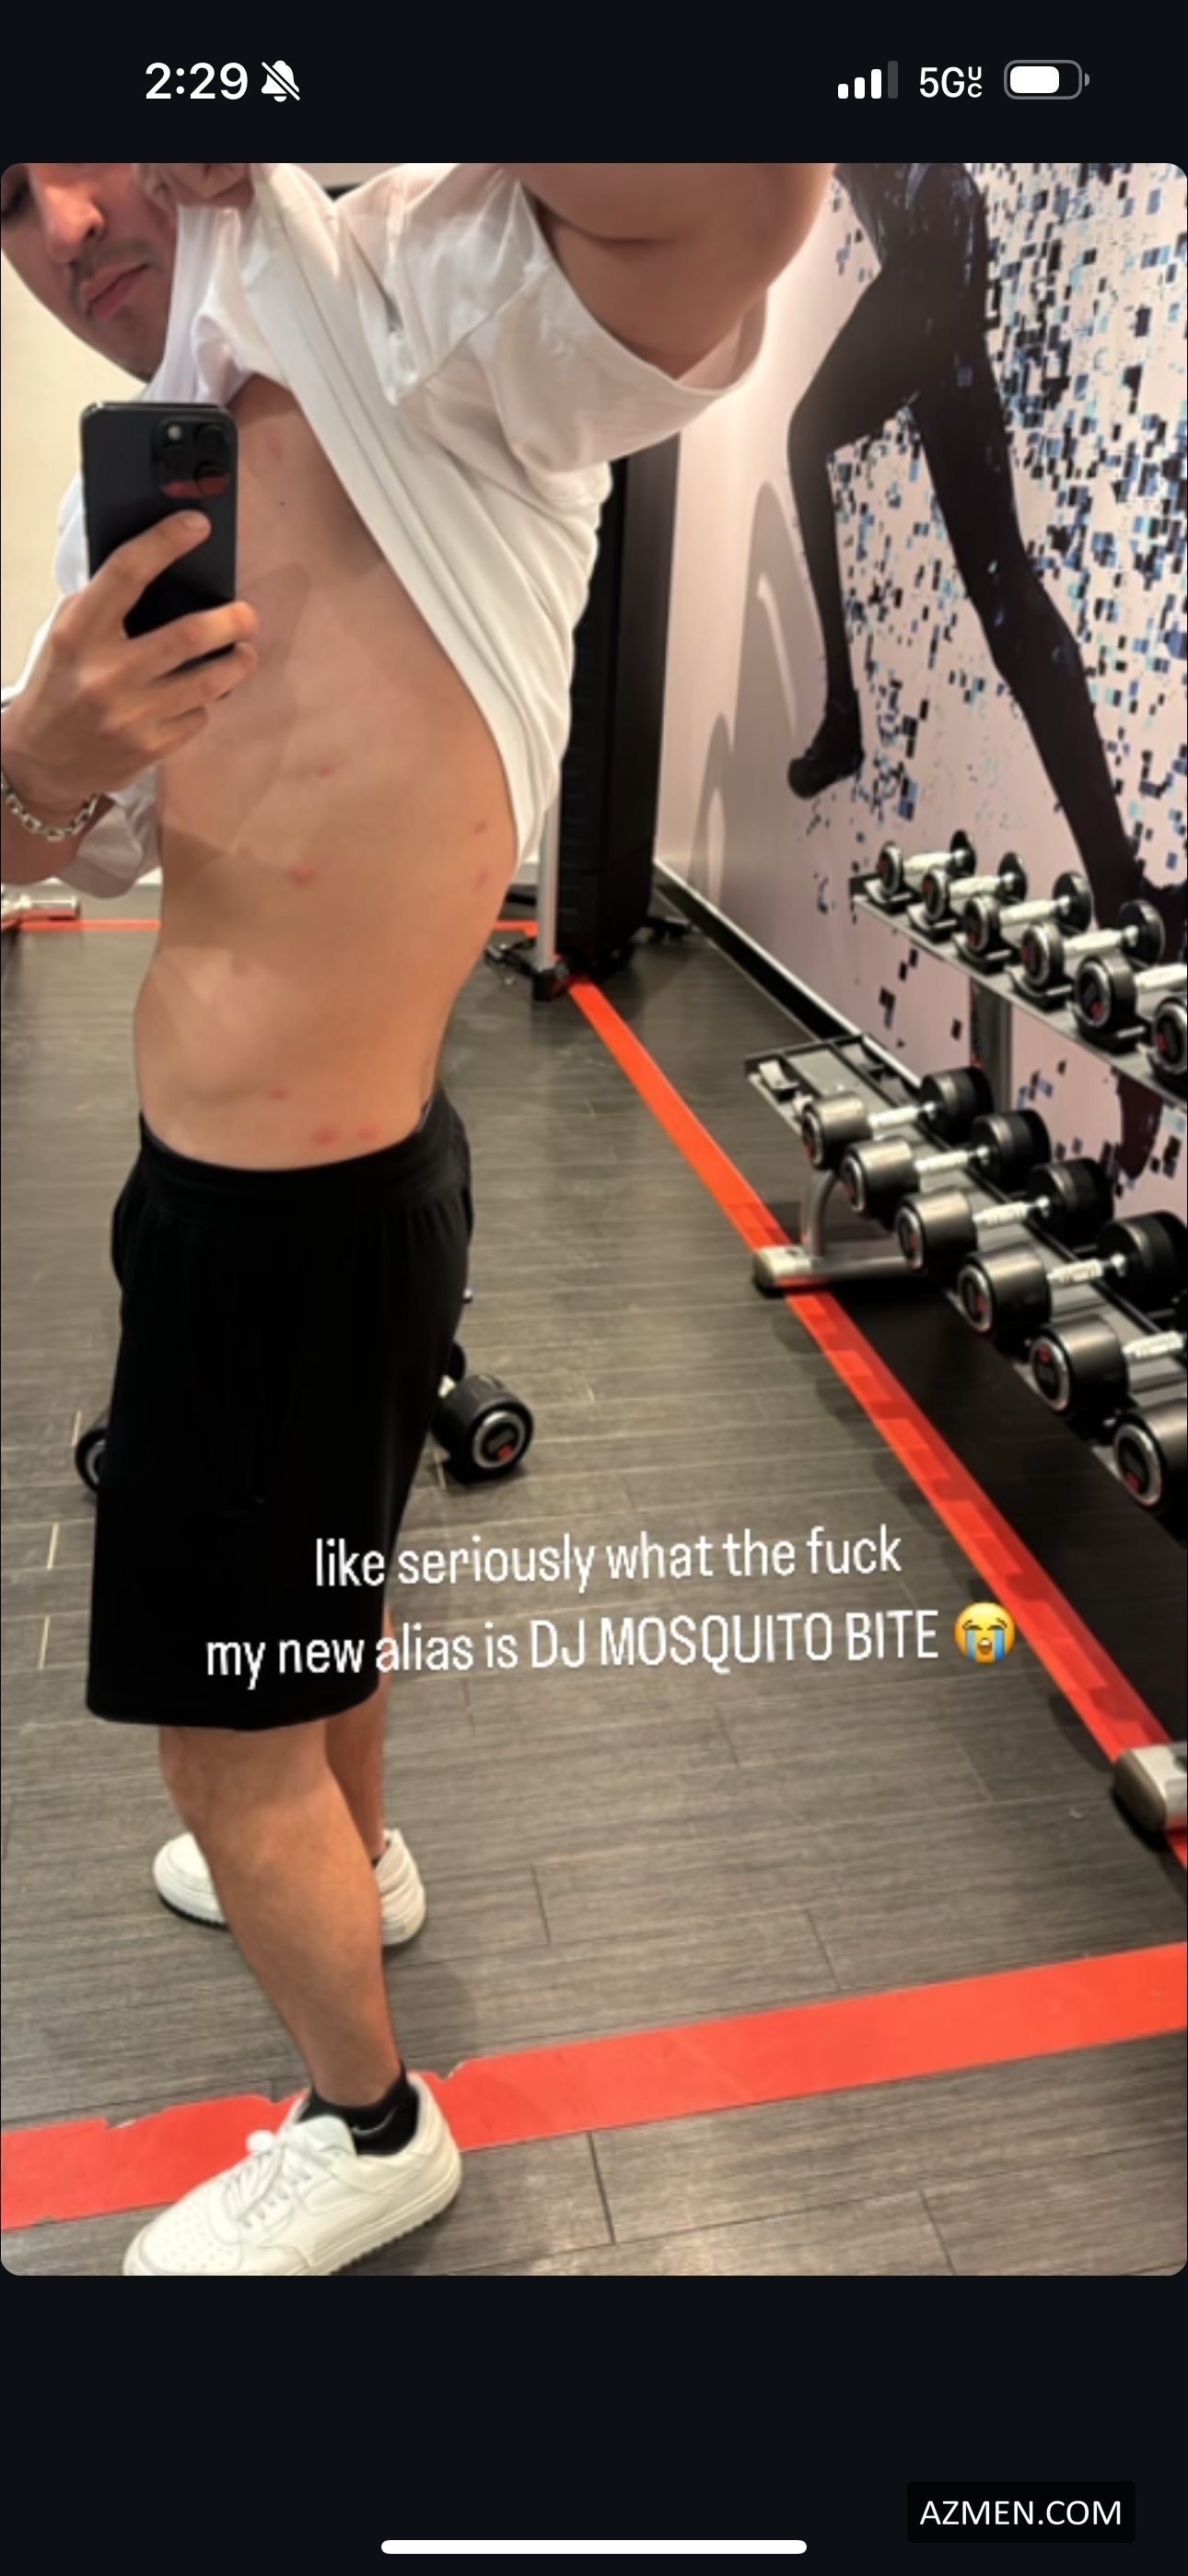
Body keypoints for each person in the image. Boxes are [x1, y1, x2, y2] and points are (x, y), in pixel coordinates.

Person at [0, 159, 833, 2276]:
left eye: (95, 134)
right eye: (9, 195)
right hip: (276, 1199)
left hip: (294, 1228)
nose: (71, 217)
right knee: (320, 1600)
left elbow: (744, 192)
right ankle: (351, 1862)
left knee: (220, 1754)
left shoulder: (419, 308)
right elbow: (64, 845)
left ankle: (368, 2129)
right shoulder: (143, 490)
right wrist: (35, 756)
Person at [786, 163, 1184, 1176]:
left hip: (934, 242)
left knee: (806, 438)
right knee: (1006, 602)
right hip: (940, 239)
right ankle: (1124, 891)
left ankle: (845, 716)